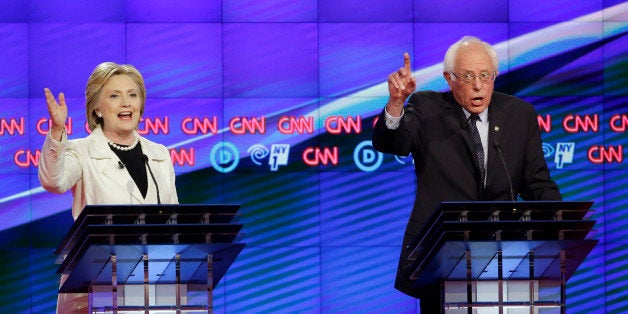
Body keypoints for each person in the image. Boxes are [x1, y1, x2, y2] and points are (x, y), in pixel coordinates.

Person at [372, 36, 562, 312]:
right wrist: (396, 105)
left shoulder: (520, 114)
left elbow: (537, 183)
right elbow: (394, 143)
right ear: (449, 79)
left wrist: (560, 224)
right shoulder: (427, 108)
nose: (478, 85)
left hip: (506, 257)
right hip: (441, 258)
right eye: (469, 76)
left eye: (486, 76)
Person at [38, 62, 179, 313]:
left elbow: (174, 222)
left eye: (132, 95)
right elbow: (53, 181)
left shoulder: (159, 155)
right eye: (115, 96)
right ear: (98, 109)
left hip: (155, 288)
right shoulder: (81, 151)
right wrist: (58, 131)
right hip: (98, 286)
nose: (126, 103)